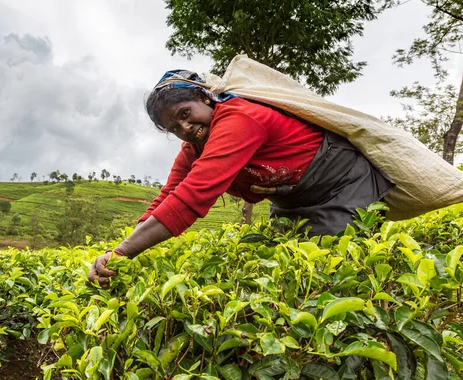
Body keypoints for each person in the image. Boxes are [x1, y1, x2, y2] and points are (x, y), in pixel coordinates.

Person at [88, 70, 393, 286]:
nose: (184, 127)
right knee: (286, 271)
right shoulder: (193, 149)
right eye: (174, 127)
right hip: (292, 200)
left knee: (332, 273)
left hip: (340, 181)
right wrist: (117, 251)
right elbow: (169, 196)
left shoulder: (238, 117)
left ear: (204, 98)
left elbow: (192, 197)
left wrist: (125, 252)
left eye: (184, 113)